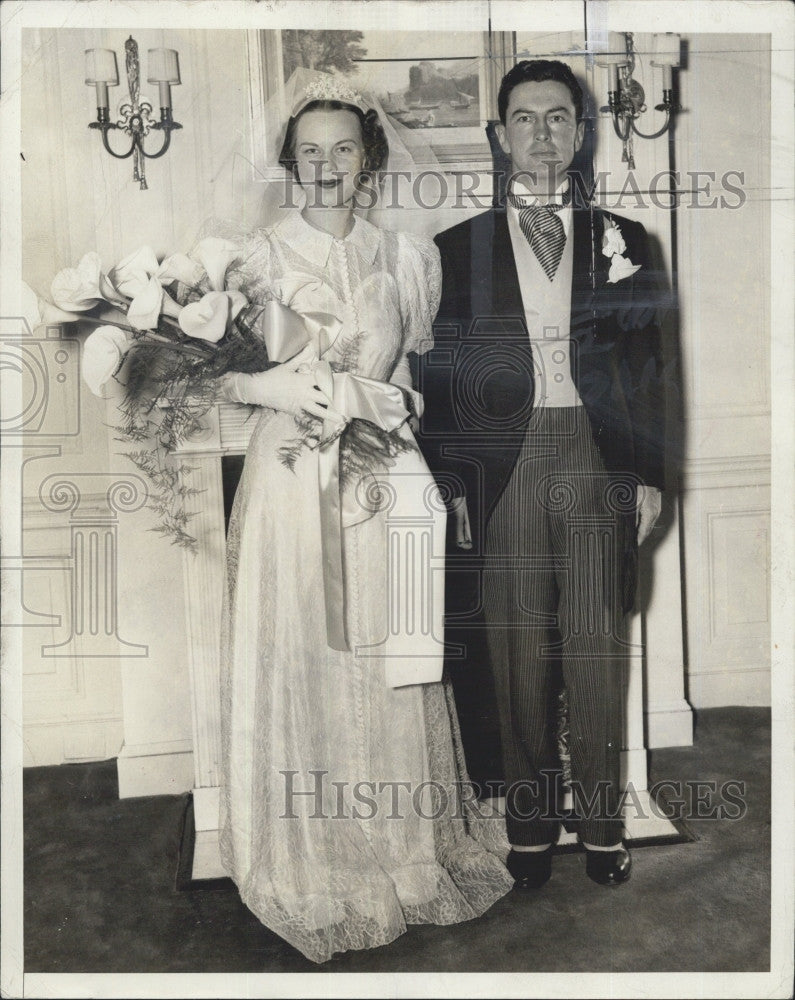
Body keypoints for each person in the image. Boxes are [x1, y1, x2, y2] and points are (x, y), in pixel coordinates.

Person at [212, 74, 512, 964]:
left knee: (395, 660)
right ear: (288, 163)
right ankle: (311, 864)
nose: (326, 165)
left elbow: (412, 380)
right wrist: (271, 384)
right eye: (310, 151)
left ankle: (406, 857)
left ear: (369, 159)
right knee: (303, 650)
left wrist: (391, 420)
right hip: (292, 483)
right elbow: (216, 376)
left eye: (343, 148)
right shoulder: (252, 258)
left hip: (386, 483)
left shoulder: (405, 258)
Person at [414, 60, 669, 890]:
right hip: (504, 463)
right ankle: (528, 827)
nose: (542, 135)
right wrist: (452, 486)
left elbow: (655, 373)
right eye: (523, 119)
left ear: (582, 131)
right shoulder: (456, 250)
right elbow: (444, 382)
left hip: (596, 457)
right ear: (499, 136)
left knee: (596, 643)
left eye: (558, 118)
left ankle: (600, 826)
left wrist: (649, 475)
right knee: (516, 648)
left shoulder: (630, 243)